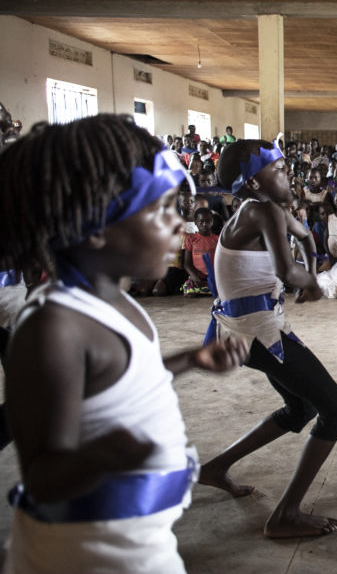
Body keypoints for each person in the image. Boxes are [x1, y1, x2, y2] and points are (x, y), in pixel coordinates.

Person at [0, 115, 248, 573]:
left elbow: (126, 379)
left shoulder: (119, 301)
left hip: (139, 537)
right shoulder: (54, 327)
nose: (181, 224)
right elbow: (41, 476)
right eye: (161, 210)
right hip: (82, 554)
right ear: (97, 226)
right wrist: (102, 454)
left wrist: (189, 359)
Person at [198, 139, 337, 539]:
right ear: (253, 184)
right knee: (335, 409)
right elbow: (287, 271)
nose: (289, 174)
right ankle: (285, 515)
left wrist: (310, 259)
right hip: (258, 333)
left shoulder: (264, 210)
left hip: (248, 329)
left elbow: (302, 234)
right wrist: (313, 282)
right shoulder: (261, 210)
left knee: (300, 409)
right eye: (279, 169)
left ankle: (215, 468)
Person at [182, 206, 217, 297]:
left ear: (212, 222)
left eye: (208, 221)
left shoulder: (217, 239)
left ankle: (209, 289)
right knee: (189, 292)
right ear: (195, 222)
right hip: (198, 277)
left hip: (213, 277)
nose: (204, 224)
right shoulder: (191, 239)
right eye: (201, 222)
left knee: (220, 289)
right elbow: (187, 264)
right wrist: (193, 276)